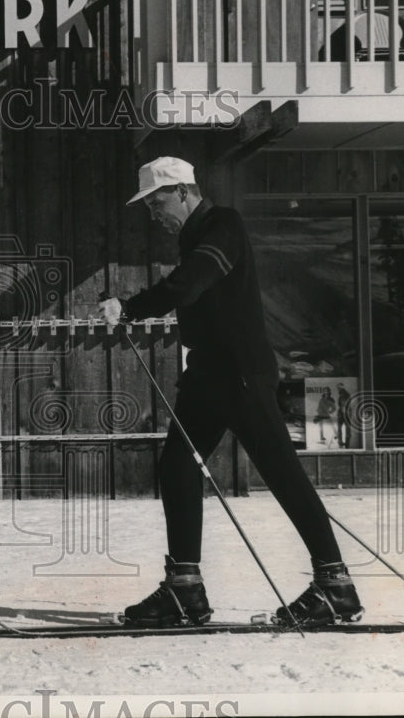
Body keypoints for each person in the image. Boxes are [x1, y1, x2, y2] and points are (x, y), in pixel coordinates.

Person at [98, 156, 362, 628]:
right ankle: (185, 590)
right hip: (208, 374)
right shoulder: (192, 235)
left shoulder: (223, 225)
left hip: (241, 374)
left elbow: (190, 284)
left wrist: (131, 305)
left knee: (281, 473)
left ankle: (335, 585)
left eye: (156, 202)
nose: (153, 214)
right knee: (176, 464)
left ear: (182, 191)